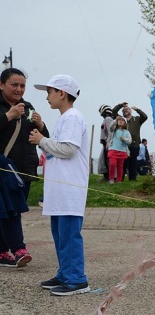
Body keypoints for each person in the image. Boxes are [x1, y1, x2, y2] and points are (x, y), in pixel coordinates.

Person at [30, 74, 90, 296]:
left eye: (49, 92)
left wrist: (42, 141)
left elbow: (68, 149)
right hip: (60, 189)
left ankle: (77, 279)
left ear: (62, 94)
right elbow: (58, 150)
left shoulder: (72, 117)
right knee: (60, 233)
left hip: (69, 188)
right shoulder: (64, 118)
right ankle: (65, 273)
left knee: (69, 234)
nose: (47, 97)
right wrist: (43, 142)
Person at [0, 68, 49, 268]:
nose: (19, 89)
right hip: (4, 168)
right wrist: (8, 116)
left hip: (25, 168)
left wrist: (42, 125)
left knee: (10, 210)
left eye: (22, 85)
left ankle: (2, 252)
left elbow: (43, 138)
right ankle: (19, 249)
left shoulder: (27, 108)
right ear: (1, 84)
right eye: (14, 84)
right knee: (10, 210)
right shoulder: (7, 109)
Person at [112, 102, 147, 181]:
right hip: (122, 145)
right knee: (122, 163)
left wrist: (137, 109)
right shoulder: (120, 119)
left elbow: (145, 117)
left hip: (134, 145)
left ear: (130, 111)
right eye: (123, 110)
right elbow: (113, 112)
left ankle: (132, 179)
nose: (125, 111)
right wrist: (120, 105)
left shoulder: (137, 119)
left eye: (127, 109)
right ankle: (121, 179)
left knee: (133, 163)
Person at [107, 116, 132, 184]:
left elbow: (130, 141)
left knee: (120, 166)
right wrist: (116, 119)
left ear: (125, 123)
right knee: (112, 164)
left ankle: (119, 180)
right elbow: (110, 127)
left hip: (122, 151)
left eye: (122, 120)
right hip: (113, 150)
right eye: (119, 120)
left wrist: (124, 139)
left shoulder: (127, 132)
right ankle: (111, 178)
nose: (120, 121)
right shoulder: (114, 130)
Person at [97, 104, 114, 181]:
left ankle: (107, 177)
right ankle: (106, 176)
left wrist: (108, 142)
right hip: (105, 143)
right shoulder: (107, 119)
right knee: (102, 160)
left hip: (107, 143)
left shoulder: (108, 119)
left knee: (105, 160)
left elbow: (110, 132)